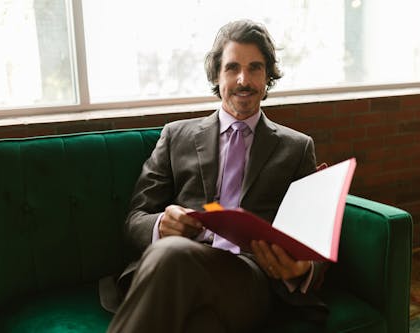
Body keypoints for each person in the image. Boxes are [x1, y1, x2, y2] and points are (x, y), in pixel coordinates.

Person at [102, 19, 327, 333]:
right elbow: (134, 219)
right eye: (232, 67)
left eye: (255, 68)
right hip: (176, 273)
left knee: (172, 253)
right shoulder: (175, 136)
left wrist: (303, 267)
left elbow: (312, 242)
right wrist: (159, 226)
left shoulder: (297, 148)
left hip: (249, 280)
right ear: (217, 75)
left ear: (267, 77)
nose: (243, 80)